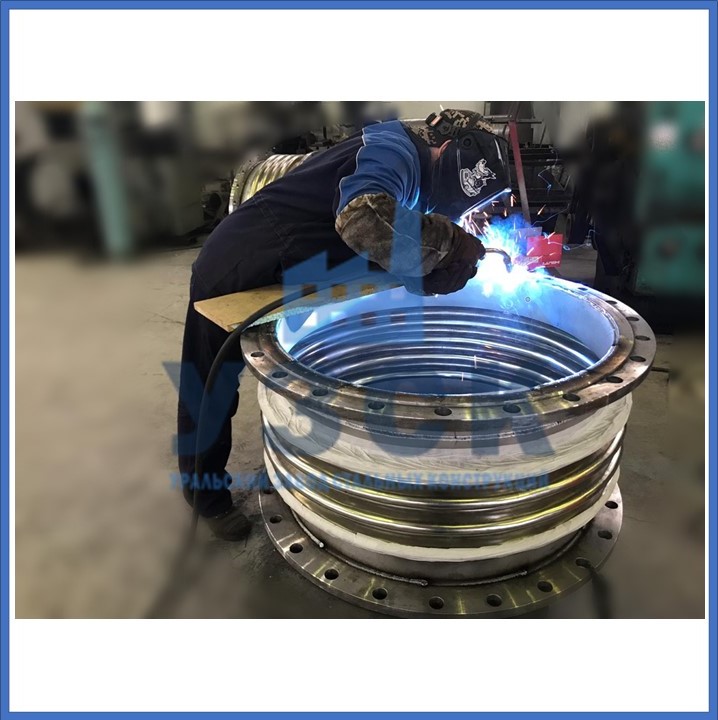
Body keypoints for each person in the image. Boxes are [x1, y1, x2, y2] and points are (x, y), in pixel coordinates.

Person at [177, 109, 511, 539]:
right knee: (210, 386)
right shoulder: (394, 152)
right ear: (444, 149)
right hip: (238, 262)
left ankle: (285, 462)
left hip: (290, 267)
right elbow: (363, 217)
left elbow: (384, 242)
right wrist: (445, 243)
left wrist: (423, 268)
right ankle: (205, 496)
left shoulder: (412, 170)